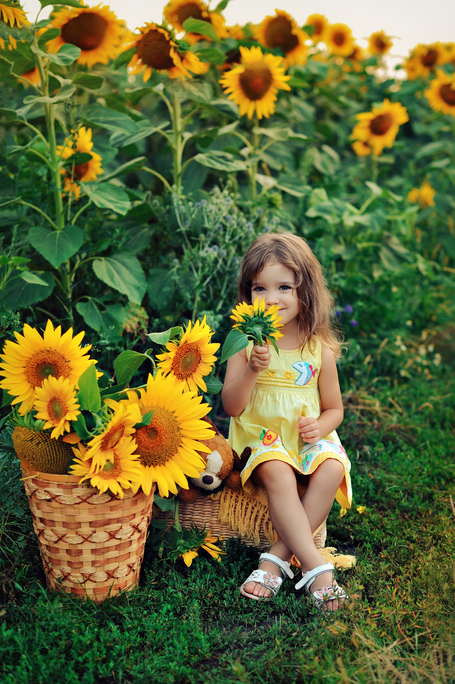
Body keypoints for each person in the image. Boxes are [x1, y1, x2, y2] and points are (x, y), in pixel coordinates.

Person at [222, 232, 352, 611]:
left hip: (304, 440)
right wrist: (250, 369)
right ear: (247, 293)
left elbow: (335, 409)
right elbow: (231, 405)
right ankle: (316, 568)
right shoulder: (243, 340)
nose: (271, 298)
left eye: (284, 286)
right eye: (259, 288)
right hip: (261, 442)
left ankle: (275, 558)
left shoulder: (318, 349)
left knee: (330, 468)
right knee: (278, 470)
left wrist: (322, 427)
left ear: (304, 291)